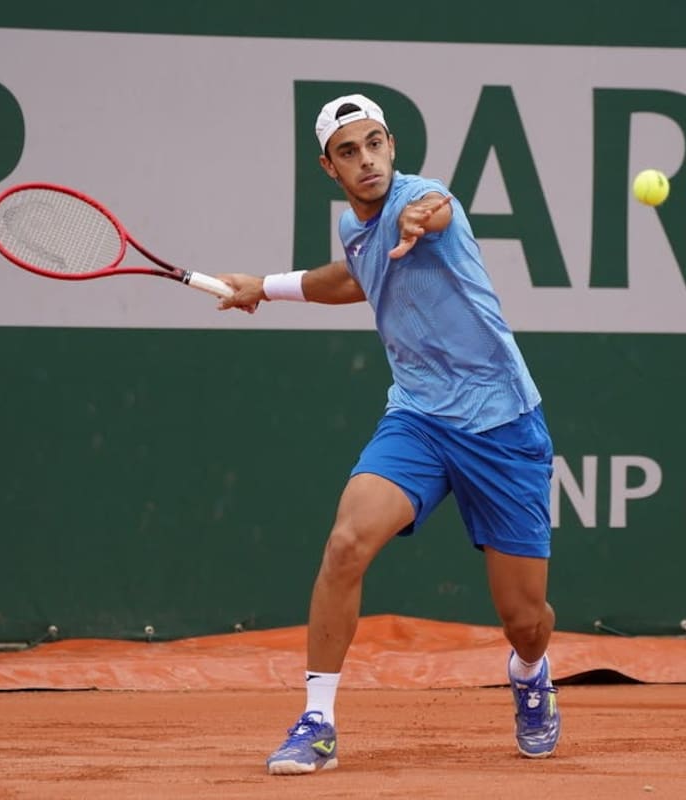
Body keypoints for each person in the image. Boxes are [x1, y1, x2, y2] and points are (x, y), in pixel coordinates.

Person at [216, 94, 560, 775]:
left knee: (524, 619)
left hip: (503, 425)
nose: (366, 159)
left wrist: (415, 218)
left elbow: (435, 212)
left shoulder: (425, 198)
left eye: (375, 143)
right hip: (419, 420)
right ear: (329, 166)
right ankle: (318, 722)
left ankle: (529, 674)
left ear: (392, 146)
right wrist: (265, 285)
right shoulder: (354, 226)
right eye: (349, 151)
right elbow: (354, 276)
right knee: (346, 543)